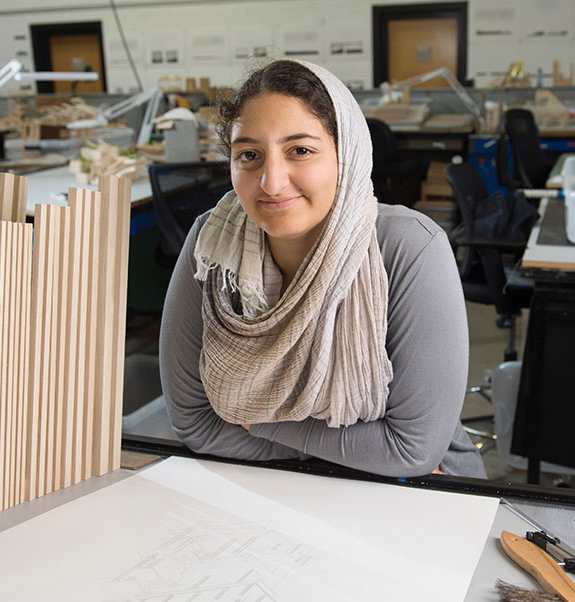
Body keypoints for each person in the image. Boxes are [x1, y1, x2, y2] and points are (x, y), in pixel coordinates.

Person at [159, 59, 485, 479]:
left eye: (301, 150)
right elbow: (195, 422)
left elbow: (410, 452)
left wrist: (258, 423)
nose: (271, 182)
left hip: (421, 495)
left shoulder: (408, 247)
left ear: (345, 155)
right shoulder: (211, 244)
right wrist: (356, 453)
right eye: (250, 155)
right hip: (283, 491)